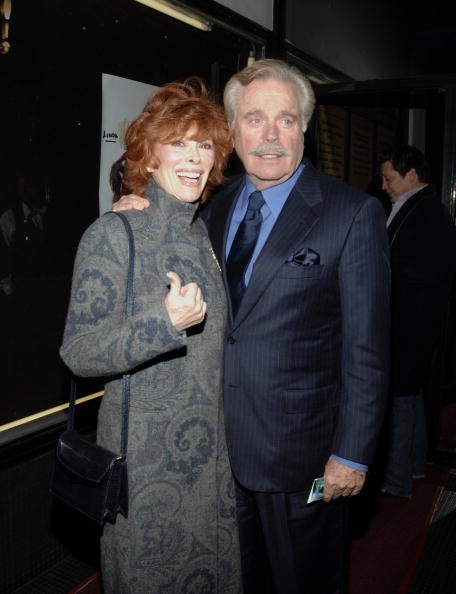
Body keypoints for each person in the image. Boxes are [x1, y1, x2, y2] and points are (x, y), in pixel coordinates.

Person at [114, 59, 391, 594]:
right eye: (255, 119)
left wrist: (352, 453)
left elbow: (368, 350)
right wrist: (136, 208)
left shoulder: (351, 214)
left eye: (286, 120)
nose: (270, 135)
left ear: (304, 129)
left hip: (303, 456)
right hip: (215, 452)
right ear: (231, 133)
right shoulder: (211, 207)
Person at [60, 77, 242, 593]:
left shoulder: (202, 233)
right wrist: (164, 325)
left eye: (203, 144)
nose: (192, 157)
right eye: (177, 143)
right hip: (147, 471)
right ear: (148, 155)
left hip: (212, 462)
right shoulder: (112, 234)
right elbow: (78, 352)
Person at [379, 145, 456, 498]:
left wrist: (381, 270)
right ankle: (413, 466)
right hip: (412, 322)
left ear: (411, 175)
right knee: (409, 394)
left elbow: (431, 271)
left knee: (401, 397)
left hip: (412, 323)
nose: (384, 185)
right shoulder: (414, 207)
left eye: (389, 177)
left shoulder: (430, 214)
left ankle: (396, 480)